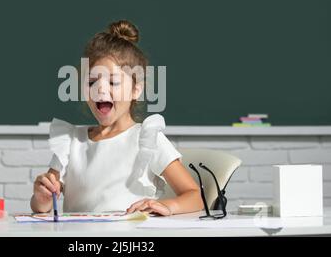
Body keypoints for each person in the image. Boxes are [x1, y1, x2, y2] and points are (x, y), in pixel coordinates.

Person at [30, 20, 203, 216]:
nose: (101, 89)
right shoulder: (71, 141)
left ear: (136, 90)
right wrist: (41, 198)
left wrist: (168, 206)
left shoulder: (147, 138)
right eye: (92, 81)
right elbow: (41, 207)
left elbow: (194, 195)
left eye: (113, 82)